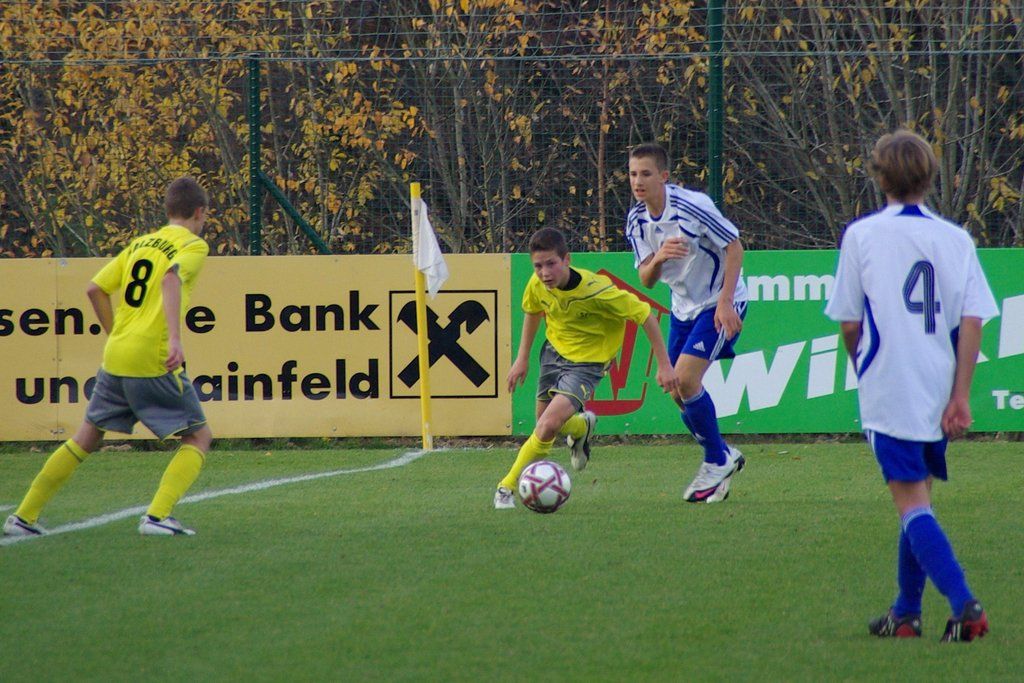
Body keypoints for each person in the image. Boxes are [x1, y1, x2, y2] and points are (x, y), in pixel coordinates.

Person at [825, 130, 997, 642]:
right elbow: (972, 320)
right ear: (930, 177)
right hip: (937, 383)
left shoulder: (862, 235)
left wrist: (862, 367)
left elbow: (850, 323)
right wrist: (960, 394)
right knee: (919, 497)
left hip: (890, 385)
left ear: (879, 178)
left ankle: (965, 606)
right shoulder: (956, 238)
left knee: (912, 505)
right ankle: (905, 613)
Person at [4, 176, 214, 538]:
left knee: (86, 436)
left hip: (116, 353)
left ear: (168, 210)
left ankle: (23, 516)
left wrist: (116, 332)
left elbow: (95, 289)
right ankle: (158, 516)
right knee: (198, 436)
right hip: (153, 355)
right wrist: (175, 340)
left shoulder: (140, 244)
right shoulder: (193, 245)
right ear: (200, 212)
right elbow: (171, 278)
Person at [495, 227, 678, 509]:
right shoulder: (537, 283)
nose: (544, 273)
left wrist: (664, 365)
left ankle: (506, 486)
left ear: (567, 259)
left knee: (546, 426)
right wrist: (522, 359)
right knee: (545, 424)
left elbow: (645, 316)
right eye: (538, 266)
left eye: (551, 264)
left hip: (587, 364)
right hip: (553, 353)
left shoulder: (598, 290)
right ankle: (582, 426)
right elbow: (533, 311)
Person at [625, 143, 748, 503]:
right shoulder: (636, 220)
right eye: (633, 174)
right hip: (683, 308)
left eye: (646, 174)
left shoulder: (693, 206)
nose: (638, 181)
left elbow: (735, 247)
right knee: (677, 391)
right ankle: (724, 454)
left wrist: (726, 302)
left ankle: (715, 461)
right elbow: (646, 279)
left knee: (686, 380)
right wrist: (659, 257)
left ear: (664, 176)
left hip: (719, 303)